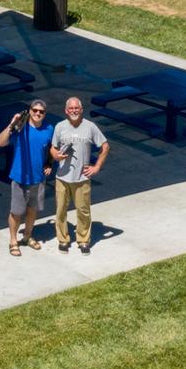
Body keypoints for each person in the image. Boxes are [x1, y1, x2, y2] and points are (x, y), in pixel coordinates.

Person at [50, 96, 110, 254]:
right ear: (66, 110)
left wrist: (96, 167)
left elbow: (105, 146)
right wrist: (55, 155)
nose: (74, 111)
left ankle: (83, 240)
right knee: (60, 210)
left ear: (81, 110)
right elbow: (53, 148)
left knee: (83, 211)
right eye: (71, 108)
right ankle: (63, 240)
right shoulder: (59, 127)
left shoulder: (90, 127)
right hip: (62, 177)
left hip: (82, 178)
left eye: (77, 108)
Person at [0, 98, 53, 257]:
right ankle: (13, 241)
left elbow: (51, 149)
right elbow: (0, 142)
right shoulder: (20, 129)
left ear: (45, 114)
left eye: (41, 112)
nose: (38, 114)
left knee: (33, 210)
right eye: (35, 111)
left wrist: (49, 163)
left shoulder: (49, 129)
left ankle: (27, 236)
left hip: (38, 178)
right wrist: (11, 124)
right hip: (20, 178)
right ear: (30, 111)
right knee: (16, 212)